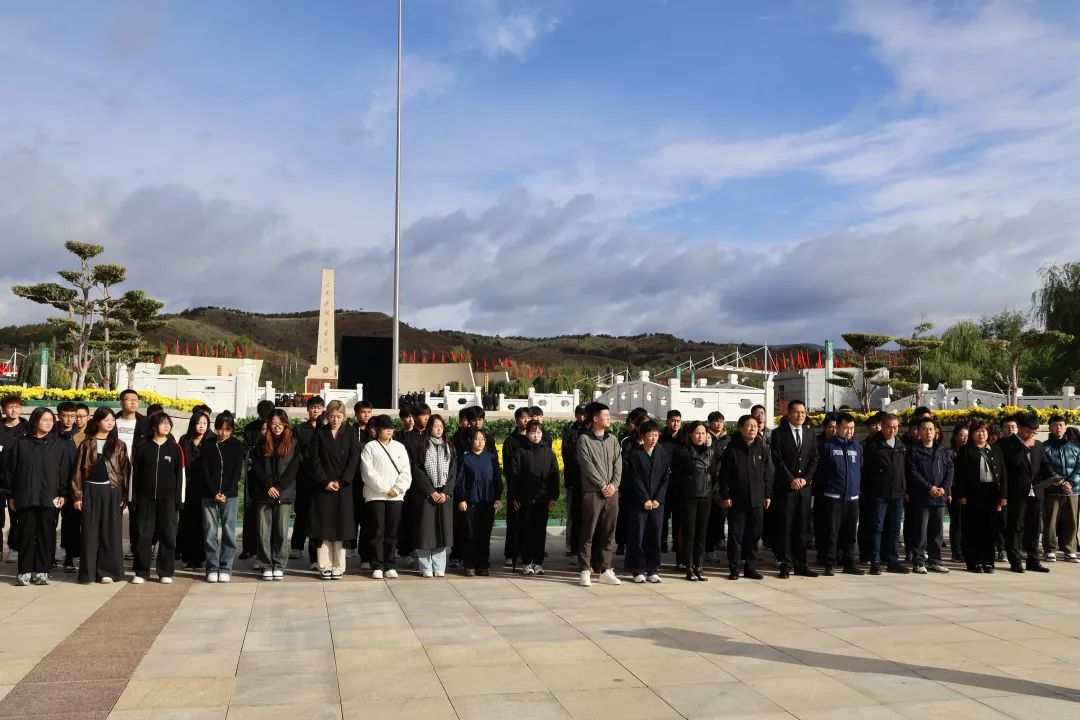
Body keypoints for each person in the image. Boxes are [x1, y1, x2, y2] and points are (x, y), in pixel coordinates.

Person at [2, 408, 70, 585]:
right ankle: (24, 571)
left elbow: (64, 472)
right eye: (44, 420)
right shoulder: (20, 443)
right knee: (26, 535)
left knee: (46, 535)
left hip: (49, 498)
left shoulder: (59, 445)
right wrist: (11, 495)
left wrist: (63, 493)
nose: (48, 423)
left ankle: (42, 571)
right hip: (25, 497)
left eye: (51, 420)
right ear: (35, 421)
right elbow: (10, 471)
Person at [71, 408, 130, 584]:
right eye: (106, 420)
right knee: (89, 533)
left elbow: (125, 471)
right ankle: (88, 573)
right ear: (97, 422)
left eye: (112, 420)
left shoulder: (119, 445)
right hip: (90, 491)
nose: (110, 423)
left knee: (110, 533)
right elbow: (77, 471)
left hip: (112, 491)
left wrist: (124, 495)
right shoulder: (86, 443)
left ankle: (107, 572)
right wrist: (78, 496)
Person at [999, 412, 1058, 573]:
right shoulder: (1006, 444)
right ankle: (1015, 560)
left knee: (1034, 527)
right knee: (1016, 527)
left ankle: (1033, 560)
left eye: (1034, 432)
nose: (1031, 435)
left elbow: (1045, 464)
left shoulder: (1038, 445)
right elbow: (1014, 463)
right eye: (1028, 431)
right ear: (1019, 427)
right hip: (1017, 492)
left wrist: (1054, 477)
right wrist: (1025, 446)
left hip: (1036, 491)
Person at [309, 400, 361, 580]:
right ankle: (324, 566)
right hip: (323, 486)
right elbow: (314, 459)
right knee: (323, 525)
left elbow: (354, 458)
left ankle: (339, 566)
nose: (335, 420)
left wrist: (342, 481)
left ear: (344, 416)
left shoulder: (350, 432)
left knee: (341, 525)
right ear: (327, 416)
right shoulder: (320, 433)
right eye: (332, 416)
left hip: (343, 487)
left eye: (339, 416)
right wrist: (324, 481)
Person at [130, 412, 184, 584]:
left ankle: (165, 572)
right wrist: (133, 498)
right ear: (154, 426)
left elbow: (181, 476)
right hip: (145, 499)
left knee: (168, 536)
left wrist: (179, 500)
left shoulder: (175, 448)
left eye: (168, 423)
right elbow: (134, 474)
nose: (166, 426)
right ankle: (141, 572)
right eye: (162, 423)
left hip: (167, 500)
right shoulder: (142, 447)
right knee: (143, 535)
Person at [718, 414, 772, 580]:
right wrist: (725, 495)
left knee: (754, 535)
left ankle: (750, 567)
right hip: (737, 499)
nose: (753, 429)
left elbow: (768, 473)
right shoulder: (732, 449)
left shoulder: (761, 448)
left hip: (757, 499)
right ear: (740, 428)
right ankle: (734, 568)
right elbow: (724, 475)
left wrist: (767, 494)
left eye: (755, 426)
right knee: (736, 535)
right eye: (749, 426)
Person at [247, 410, 299, 581]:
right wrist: (268, 486)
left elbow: (293, 468)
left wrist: (280, 487)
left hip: (284, 493)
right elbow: (257, 467)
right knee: (263, 531)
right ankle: (265, 565)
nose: (277, 427)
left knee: (281, 531)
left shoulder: (293, 443)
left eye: (280, 423)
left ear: (286, 424)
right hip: (264, 493)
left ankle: (279, 564)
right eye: (273, 423)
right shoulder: (261, 443)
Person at [771, 401, 819, 578]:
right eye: (797, 412)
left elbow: (815, 459)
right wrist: (791, 479)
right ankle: (785, 563)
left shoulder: (810, 434)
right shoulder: (779, 434)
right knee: (785, 527)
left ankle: (801, 564)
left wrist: (805, 479)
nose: (800, 415)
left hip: (804, 489)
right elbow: (777, 459)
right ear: (789, 414)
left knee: (802, 527)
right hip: (786, 488)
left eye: (803, 412)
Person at [576, 403, 622, 587]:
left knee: (609, 532)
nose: (609, 418)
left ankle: (605, 569)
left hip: (612, 494)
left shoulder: (613, 440)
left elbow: (618, 464)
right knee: (588, 532)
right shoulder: (584, 440)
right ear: (595, 418)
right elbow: (587, 465)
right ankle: (585, 569)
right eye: (606, 415)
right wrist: (602, 485)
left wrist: (614, 485)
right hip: (593, 493)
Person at [360, 414, 412, 579]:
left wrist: (397, 488)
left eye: (391, 428)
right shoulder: (370, 447)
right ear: (378, 430)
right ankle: (377, 565)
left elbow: (406, 471)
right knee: (377, 530)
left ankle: (390, 564)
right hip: (375, 496)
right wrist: (384, 488)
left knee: (392, 531)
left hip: (396, 497)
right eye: (385, 428)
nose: (389, 431)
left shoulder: (399, 447)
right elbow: (368, 473)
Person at [954, 420, 1007, 573]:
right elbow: (959, 475)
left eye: (984, 431)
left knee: (989, 528)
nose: (981, 434)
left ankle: (988, 561)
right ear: (972, 434)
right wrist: (961, 494)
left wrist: (1003, 495)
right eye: (977, 431)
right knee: (973, 528)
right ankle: (974, 561)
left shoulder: (996, 450)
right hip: (972, 494)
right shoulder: (965, 451)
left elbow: (1003, 473)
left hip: (991, 493)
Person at [816, 413, 865, 576]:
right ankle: (829, 563)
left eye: (852, 428)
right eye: (846, 428)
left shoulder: (857, 447)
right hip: (833, 497)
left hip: (852, 497)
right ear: (837, 428)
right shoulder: (826, 445)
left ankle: (849, 563)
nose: (849, 431)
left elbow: (860, 469)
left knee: (850, 533)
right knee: (831, 533)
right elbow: (820, 470)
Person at [510, 419, 560, 575]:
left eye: (539, 432)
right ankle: (526, 562)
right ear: (527, 434)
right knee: (525, 530)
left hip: (542, 499)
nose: (536, 435)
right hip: (525, 499)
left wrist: (553, 496)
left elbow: (554, 475)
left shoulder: (548, 453)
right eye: (532, 432)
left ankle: (538, 562)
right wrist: (515, 496)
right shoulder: (520, 452)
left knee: (540, 531)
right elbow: (513, 476)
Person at [622, 419, 670, 583]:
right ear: (642, 436)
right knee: (638, 535)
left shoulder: (662, 453)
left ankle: (653, 569)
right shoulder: (635, 454)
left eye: (656, 435)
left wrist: (657, 499)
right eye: (650, 435)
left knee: (655, 535)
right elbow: (634, 478)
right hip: (639, 502)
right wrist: (645, 499)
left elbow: (665, 478)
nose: (653, 438)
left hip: (657, 503)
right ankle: (638, 569)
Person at [862, 414, 909, 575]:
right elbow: (866, 470)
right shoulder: (873, 445)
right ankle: (875, 561)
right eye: (889, 427)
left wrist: (904, 490)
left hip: (897, 494)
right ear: (882, 426)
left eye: (895, 427)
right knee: (877, 528)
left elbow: (904, 469)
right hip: (879, 494)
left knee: (895, 529)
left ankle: (893, 561)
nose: (892, 430)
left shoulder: (901, 444)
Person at [201, 412, 246, 583]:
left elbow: (236, 472)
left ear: (232, 429)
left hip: (230, 496)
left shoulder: (237, 445)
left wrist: (226, 493)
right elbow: (204, 470)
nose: (223, 433)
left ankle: (226, 567)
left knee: (228, 531)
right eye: (220, 429)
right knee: (210, 532)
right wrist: (213, 492)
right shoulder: (208, 444)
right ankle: (212, 567)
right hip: (209, 495)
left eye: (227, 429)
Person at [672, 421, 719, 581]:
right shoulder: (682, 452)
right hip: (688, 497)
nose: (700, 436)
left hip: (706, 496)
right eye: (697, 433)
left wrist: (712, 492)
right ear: (690, 434)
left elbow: (714, 473)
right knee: (689, 533)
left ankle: (699, 566)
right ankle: (689, 567)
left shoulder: (711, 452)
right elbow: (677, 476)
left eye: (703, 433)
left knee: (701, 534)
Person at [905, 418, 954, 574]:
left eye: (931, 429)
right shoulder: (913, 451)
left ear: (936, 431)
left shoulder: (942, 451)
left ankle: (935, 561)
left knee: (937, 533)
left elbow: (950, 470)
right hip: (922, 498)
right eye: (925, 429)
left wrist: (944, 488)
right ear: (919, 432)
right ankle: (918, 562)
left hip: (939, 497)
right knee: (920, 532)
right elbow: (913, 473)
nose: (928, 432)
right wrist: (929, 487)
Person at [411, 414, 456, 577]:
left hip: (443, 494)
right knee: (426, 532)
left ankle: (439, 566)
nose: (439, 429)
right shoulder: (421, 446)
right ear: (429, 427)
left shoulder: (449, 447)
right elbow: (417, 470)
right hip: (427, 495)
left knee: (442, 531)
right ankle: (425, 567)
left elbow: (453, 471)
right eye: (436, 426)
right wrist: (430, 491)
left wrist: (446, 492)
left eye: (441, 426)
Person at [455, 428, 502, 576]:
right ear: (471, 441)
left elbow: (497, 479)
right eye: (477, 439)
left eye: (483, 439)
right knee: (470, 534)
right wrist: (461, 498)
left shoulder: (491, 458)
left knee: (484, 534)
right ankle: (469, 564)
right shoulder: (465, 458)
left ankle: (483, 564)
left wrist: (498, 497)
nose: (480, 442)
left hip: (487, 501)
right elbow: (460, 480)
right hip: (470, 502)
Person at [291, 396, 325, 567]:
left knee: (318, 514)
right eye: (313, 407)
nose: (316, 410)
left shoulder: (325, 430)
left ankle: (318, 550)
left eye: (319, 407)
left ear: (323, 409)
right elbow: (296, 453)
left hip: (321, 479)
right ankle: (296, 546)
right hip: (304, 477)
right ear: (308, 409)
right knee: (302, 512)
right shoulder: (299, 429)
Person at [178, 411, 213, 571]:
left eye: (204, 423)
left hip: (205, 487)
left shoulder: (211, 440)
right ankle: (187, 557)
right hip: (187, 486)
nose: (201, 426)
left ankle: (200, 558)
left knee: (203, 523)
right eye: (198, 423)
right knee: (187, 523)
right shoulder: (184, 440)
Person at [240, 400, 275, 562]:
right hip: (253, 474)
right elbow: (245, 449)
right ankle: (249, 547)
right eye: (262, 413)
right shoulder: (250, 428)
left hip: (272, 475)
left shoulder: (277, 426)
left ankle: (270, 548)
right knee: (250, 509)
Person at [1042, 415, 1080, 563]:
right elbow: (1046, 467)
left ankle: (1070, 550)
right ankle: (1050, 549)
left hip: (1072, 490)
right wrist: (1061, 482)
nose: (1058, 428)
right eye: (1055, 425)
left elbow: (1078, 467)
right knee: (1050, 521)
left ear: (1065, 428)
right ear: (1050, 428)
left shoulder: (1074, 448)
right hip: (1053, 490)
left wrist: (1070, 483)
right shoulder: (1044, 447)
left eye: (1061, 425)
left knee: (1072, 521)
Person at [502, 407, 532, 569]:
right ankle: (510, 554)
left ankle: (525, 553)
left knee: (528, 523)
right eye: (522, 417)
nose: (526, 420)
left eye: (528, 417)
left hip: (530, 489)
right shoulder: (510, 441)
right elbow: (508, 468)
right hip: (515, 487)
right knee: (513, 522)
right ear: (517, 420)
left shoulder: (533, 439)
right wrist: (514, 491)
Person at [0, 394, 28, 563]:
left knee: (16, 515)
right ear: (4, 409)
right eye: (10, 407)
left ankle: (14, 547)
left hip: (17, 479)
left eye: (17, 406)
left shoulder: (27, 428)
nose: (14, 410)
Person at [54, 402, 81, 572]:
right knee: (50, 523)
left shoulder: (80, 436)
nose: (69, 419)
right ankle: (48, 557)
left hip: (72, 487)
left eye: (72, 416)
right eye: (65, 416)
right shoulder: (51, 433)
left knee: (71, 523)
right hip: (52, 486)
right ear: (59, 416)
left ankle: (69, 557)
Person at [857, 412, 886, 563]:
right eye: (874, 425)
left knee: (881, 525)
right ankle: (865, 554)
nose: (877, 428)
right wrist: (860, 488)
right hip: (867, 491)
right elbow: (859, 469)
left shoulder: (888, 444)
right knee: (866, 523)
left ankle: (881, 554)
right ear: (868, 428)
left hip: (883, 491)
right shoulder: (862, 445)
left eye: (880, 425)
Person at [347, 400, 373, 564]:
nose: (366, 415)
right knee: (352, 515)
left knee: (366, 518)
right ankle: (350, 546)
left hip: (369, 480)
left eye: (369, 412)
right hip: (353, 479)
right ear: (356, 414)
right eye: (363, 412)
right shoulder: (350, 431)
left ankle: (365, 554)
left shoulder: (374, 431)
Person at [562, 404, 587, 563]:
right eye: (581, 414)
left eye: (585, 414)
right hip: (574, 479)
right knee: (574, 514)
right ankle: (572, 547)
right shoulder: (571, 432)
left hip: (589, 482)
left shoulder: (591, 432)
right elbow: (568, 457)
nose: (583, 417)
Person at [704, 411, 729, 561]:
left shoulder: (728, 440)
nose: (719, 424)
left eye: (721, 421)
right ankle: (709, 549)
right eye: (716, 421)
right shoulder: (705, 437)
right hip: (707, 482)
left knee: (720, 515)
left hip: (722, 483)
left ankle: (719, 540)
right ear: (710, 423)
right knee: (709, 518)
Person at [659, 409, 682, 559]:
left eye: (678, 421)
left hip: (680, 482)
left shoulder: (685, 438)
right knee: (664, 514)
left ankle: (676, 542)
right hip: (664, 482)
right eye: (673, 420)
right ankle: (662, 541)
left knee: (678, 515)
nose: (675, 424)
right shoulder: (660, 439)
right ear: (667, 421)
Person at [947, 425, 969, 563]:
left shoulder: (970, 451)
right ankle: (956, 551)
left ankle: (966, 549)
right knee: (957, 522)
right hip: (955, 491)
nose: (964, 438)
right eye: (961, 435)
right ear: (955, 437)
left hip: (969, 492)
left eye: (967, 435)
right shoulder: (949, 453)